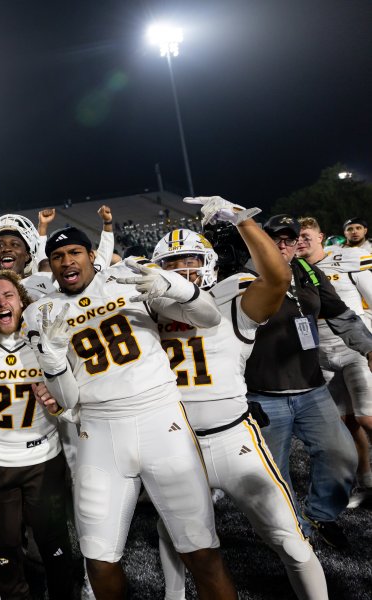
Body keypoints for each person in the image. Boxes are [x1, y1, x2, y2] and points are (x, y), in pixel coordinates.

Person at [21, 223, 237, 599]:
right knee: (98, 558)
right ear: (50, 265)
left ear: (92, 256)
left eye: (74, 252)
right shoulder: (41, 311)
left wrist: (175, 286)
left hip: (160, 420)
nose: (66, 261)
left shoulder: (127, 277)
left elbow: (209, 318)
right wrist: (53, 362)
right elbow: (66, 399)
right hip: (98, 431)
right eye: (57, 256)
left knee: (201, 551)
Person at [152, 197, 327, 600]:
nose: (183, 270)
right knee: (175, 534)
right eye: (172, 264)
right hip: (177, 444)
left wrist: (242, 220)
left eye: (191, 260)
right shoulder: (150, 307)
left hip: (235, 440)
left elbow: (278, 278)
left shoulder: (234, 298)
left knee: (290, 542)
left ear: (209, 264)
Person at [245, 214, 372, 550]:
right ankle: (295, 531)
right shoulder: (244, 276)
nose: (284, 245)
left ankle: (320, 515)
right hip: (264, 393)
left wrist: (369, 347)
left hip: (311, 387)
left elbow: (340, 314)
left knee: (342, 455)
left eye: (290, 239)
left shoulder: (308, 272)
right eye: (275, 238)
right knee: (273, 473)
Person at [0, 271, 75, 600]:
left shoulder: (43, 339)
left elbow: (69, 397)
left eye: (8, 295)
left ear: (22, 301)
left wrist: (56, 402)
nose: (1, 302)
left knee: (54, 544)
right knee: (5, 549)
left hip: (44, 458)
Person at [295, 217, 372, 505]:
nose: (301, 241)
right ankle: (366, 483)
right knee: (347, 422)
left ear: (321, 237)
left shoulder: (346, 258)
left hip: (354, 348)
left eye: (306, 235)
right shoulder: (293, 269)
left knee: (367, 417)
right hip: (320, 354)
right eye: (297, 237)